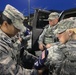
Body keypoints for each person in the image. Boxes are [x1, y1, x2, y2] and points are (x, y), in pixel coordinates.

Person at [0, 4, 39, 75]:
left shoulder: (12, 36)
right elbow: (12, 72)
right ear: (5, 24)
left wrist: (37, 59)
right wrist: (37, 72)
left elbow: (21, 52)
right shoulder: (1, 45)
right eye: (16, 27)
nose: (19, 30)